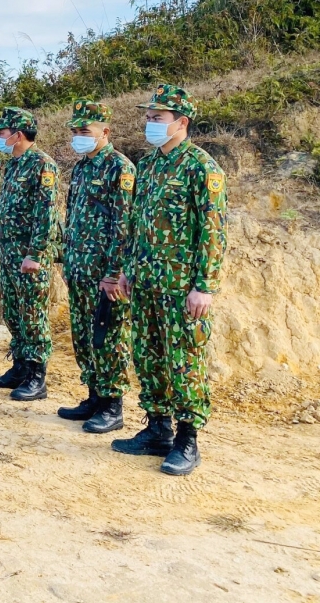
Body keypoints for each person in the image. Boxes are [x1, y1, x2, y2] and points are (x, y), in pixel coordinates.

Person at [113, 84, 227, 477]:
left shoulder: (202, 167)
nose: (150, 123)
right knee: (148, 357)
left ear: (181, 123)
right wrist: (128, 268)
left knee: (184, 362)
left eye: (157, 118)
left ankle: (187, 439)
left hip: (181, 287)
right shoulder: (147, 166)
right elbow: (136, 224)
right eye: (147, 117)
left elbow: (213, 232)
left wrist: (205, 286)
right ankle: (157, 428)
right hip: (145, 281)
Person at [57, 100, 134, 433]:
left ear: (105, 131)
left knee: (108, 336)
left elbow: (124, 225)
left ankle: (112, 405)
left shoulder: (120, 168)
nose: (78, 136)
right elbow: (72, 217)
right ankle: (93, 396)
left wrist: (114, 272)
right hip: (79, 269)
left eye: (84, 131)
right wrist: (66, 258)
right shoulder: (82, 167)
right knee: (84, 337)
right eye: (75, 131)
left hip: (104, 274)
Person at [0, 108, 59, 401]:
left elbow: (46, 213)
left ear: (18, 134)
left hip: (29, 256)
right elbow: (4, 211)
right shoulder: (13, 164)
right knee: (14, 313)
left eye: (3, 133)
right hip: (11, 252)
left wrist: (36, 253)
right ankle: (20, 366)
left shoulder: (42, 164)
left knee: (32, 315)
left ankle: (37, 376)